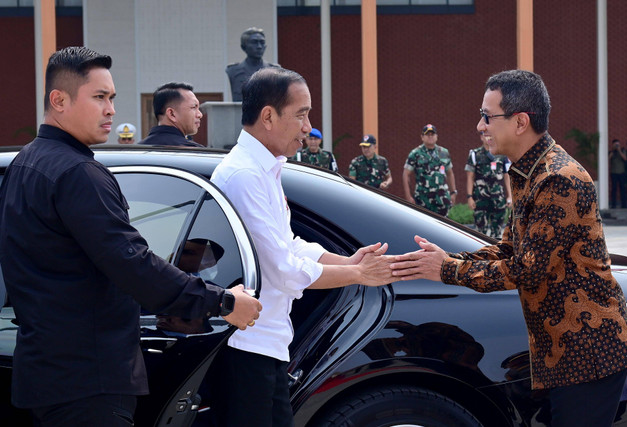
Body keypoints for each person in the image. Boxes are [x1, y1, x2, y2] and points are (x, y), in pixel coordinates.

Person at [0, 46, 262, 426]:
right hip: (90, 381)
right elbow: (132, 264)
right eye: (99, 97)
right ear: (59, 100)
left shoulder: (24, 164)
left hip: (45, 375)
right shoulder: (78, 174)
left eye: (113, 98)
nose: (111, 110)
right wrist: (221, 301)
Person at [390, 70, 627, 427]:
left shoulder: (558, 179)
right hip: (562, 355)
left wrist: (445, 270)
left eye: (487, 116)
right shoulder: (530, 173)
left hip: (587, 352)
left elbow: (526, 270)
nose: (479, 126)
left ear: (521, 121)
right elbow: (509, 250)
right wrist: (446, 259)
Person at [211, 67, 394, 427]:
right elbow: (281, 269)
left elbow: (288, 244)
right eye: (301, 114)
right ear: (268, 116)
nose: (308, 127)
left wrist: (348, 261)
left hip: (267, 342)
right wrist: (356, 273)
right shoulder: (244, 175)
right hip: (249, 345)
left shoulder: (263, 169)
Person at [403, 124, 457, 216]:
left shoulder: (443, 152)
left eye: (433, 134)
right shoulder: (415, 153)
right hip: (423, 198)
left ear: (437, 136)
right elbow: (406, 174)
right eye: (427, 135)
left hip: (442, 198)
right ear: (422, 137)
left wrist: (453, 192)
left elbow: (450, 173)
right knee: (422, 227)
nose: (430, 137)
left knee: (442, 227)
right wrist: (408, 196)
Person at [465, 131, 513, 237]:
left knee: (498, 232)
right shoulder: (474, 154)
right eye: (484, 135)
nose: (488, 137)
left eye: (490, 135)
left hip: (498, 199)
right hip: (480, 198)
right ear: (481, 137)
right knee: (480, 232)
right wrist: (469, 197)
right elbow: (470, 177)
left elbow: (507, 175)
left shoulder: (502, 154)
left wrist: (510, 195)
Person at [139, 82, 204, 147]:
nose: (200, 115)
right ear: (171, 114)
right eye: (193, 107)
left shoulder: (137, 150)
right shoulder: (193, 152)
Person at [226, 27, 280, 102]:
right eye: (254, 42)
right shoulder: (233, 70)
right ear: (244, 47)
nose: (259, 46)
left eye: (262, 42)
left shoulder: (275, 70)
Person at [609, 138, 627, 208]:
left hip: (622, 173)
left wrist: (619, 150)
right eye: (615, 144)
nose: (617, 145)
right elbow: (608, 158)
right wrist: (613, 150)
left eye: (618, 144)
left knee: (623, 189)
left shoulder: (622, 150)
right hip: (614, 173)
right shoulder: (611, 152)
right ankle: (613, 204)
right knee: (614, 189)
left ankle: (624, 205)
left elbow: (625, 158)